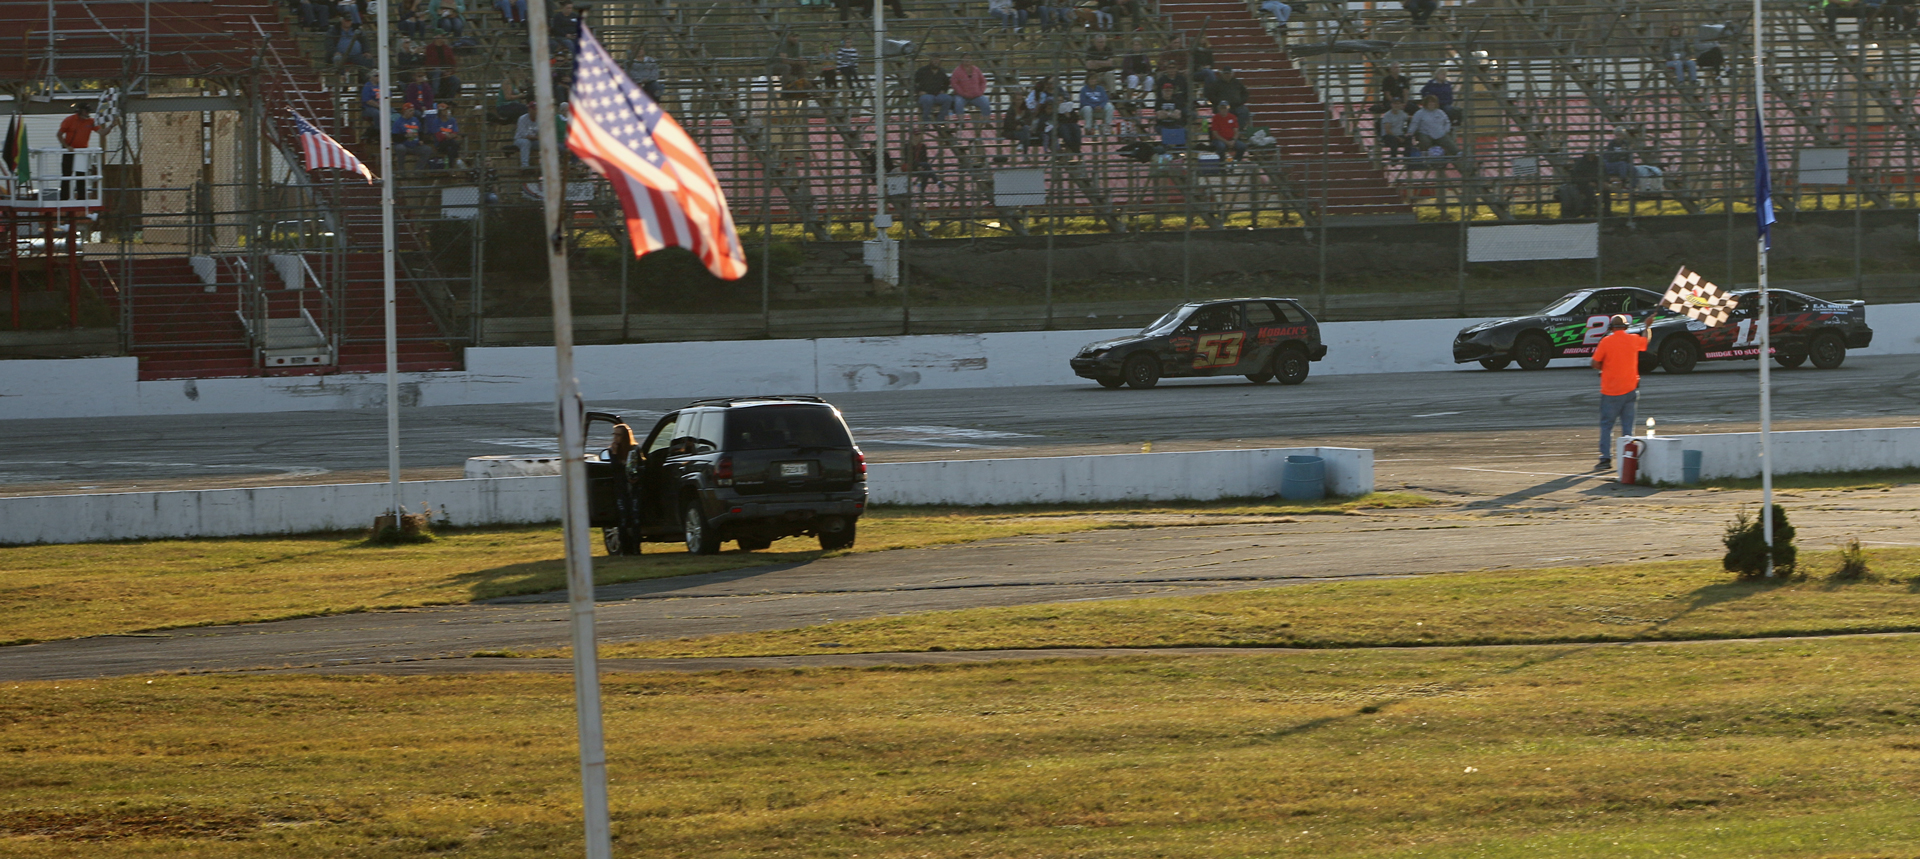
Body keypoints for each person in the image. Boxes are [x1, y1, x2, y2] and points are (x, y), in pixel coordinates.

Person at [1591, 314, 1647, 471]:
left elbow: (1594, 362)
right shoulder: (1633, 339)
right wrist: (1647, 326)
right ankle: (1628, 459)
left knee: (1607, 426)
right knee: (1628, 428)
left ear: (1611, 327)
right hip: (1630, 389)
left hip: (1611, 391)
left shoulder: (1606, 341)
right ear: (1625, 327)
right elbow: (1645, 342)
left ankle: (1605, 459)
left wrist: (1603, 368)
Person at [56, 103, 109, 201]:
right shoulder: (69, 120)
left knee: (81, 175)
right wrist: (67, 147)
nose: (88, 113)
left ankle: (81, 198)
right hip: (69, 151)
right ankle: (64, 198)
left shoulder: (91, 121)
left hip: (82, 152)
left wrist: (111, 126)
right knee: (66, 175)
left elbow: (102, 132)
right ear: (80, 111)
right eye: (86, 111)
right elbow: (59, 134)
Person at [1204, 66, 1251, 130]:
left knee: (1244, 111)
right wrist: (1219, 102)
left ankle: (1238, 130)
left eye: (1228, 73)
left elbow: (1245, 93)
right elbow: (1210, 95)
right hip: (1222, 106)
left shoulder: (1237, 82)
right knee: (1222, 113)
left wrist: (1241, 101)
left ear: (1232, 74)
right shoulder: (1216, 83)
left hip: (1236, 105)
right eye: (1225, 74)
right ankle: (1225, 130)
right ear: (1222, 74)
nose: (1227, 75)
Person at [391, 102, 432, 173]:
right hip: (403, 145)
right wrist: (405, 136)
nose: (412, 112)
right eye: (410, 110)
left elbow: (420, 132)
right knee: (400, 148)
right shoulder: (398, 122)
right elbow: (394, 137)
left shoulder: (415, 120)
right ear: (405, 111)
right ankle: (401, 171)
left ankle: (418, 171)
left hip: (415, 145)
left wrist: (421, 140)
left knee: (427, 149)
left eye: (413, 110)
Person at [914, 55, 955, 122]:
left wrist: (943, 90)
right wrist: (919, 91)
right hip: (926, 94)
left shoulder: (941, 71)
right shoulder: (922, 70)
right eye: (934, 59)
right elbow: (914, 82)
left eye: (937, 59)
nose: (936, 61)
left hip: (938, 95)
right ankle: (926, 120)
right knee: (928, 99)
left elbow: (947, 82)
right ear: (930, 60)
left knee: (948, 99)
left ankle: (940, 119)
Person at [427, 100, 462, 167]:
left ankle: (450, 167)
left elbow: (455, 132)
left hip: (451, 142)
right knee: (452, 143)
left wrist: (449, 136)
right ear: (440, 112)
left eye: (446, 110)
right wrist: (448, 136)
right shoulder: (436, 122)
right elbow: (438, 137)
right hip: (440, 144)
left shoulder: (452, 120)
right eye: (444, 110)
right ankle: (458, 159)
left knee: (450, 148)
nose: (446, 111)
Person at [514, 101, 540, 168]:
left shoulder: (540, 120)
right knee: (525, 142)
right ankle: (525, 166)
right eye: (534, 109)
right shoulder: (522, 119)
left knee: (545, 144)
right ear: (529, 110)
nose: (535, 111)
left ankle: (545, 165)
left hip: (534, 140)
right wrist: (537, 137)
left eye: (536, 109)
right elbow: (524, 134)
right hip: (520, 139)